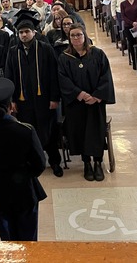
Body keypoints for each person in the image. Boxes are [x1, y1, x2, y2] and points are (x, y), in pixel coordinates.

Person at [0, 78, 47, 241]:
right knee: (28, 239)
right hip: (24, 191)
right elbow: (39, 164)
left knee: (7, 239)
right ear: (11, 106)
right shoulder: (26, 130)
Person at [5, 15, 63, 177]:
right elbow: (10, 77)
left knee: (49, 131)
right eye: (21, 32)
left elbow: (54, 74)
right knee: (27, 132)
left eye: (27, 32)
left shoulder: (45, 49)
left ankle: (55, 161)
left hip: (44, 99)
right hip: (23, 101)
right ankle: (33, 162)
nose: (23, 35)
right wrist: (12, 100)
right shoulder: (13, 52)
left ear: (34, 32)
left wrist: (54, 97)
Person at [57, 24, 116, 181]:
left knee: (96, 131)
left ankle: (98, 162)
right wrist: (80, 94)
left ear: (85, 35)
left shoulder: (97, 54)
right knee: (80, 132)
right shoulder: (64, 58)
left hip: (95, 103)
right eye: (73, 36)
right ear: (69, 38)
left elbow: (106, 76)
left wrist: (96, 96)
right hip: (76, 104)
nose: (76, 38)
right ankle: (86, 163)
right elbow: (63, 80)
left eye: (79, 35)